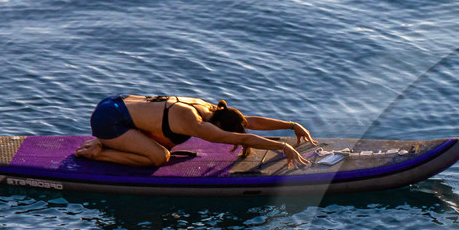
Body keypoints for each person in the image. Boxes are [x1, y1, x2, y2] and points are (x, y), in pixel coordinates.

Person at [74, 94, 313, 168]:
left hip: (115, 102)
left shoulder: (209, 108)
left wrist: (291, 125)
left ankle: (113, 142)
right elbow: (245, 136)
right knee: (159, 156)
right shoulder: (196, 124)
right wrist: (282, 146)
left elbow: (247, 122)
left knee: (166, 142)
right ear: (217, 126)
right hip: (109, 120)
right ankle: (100, 151)